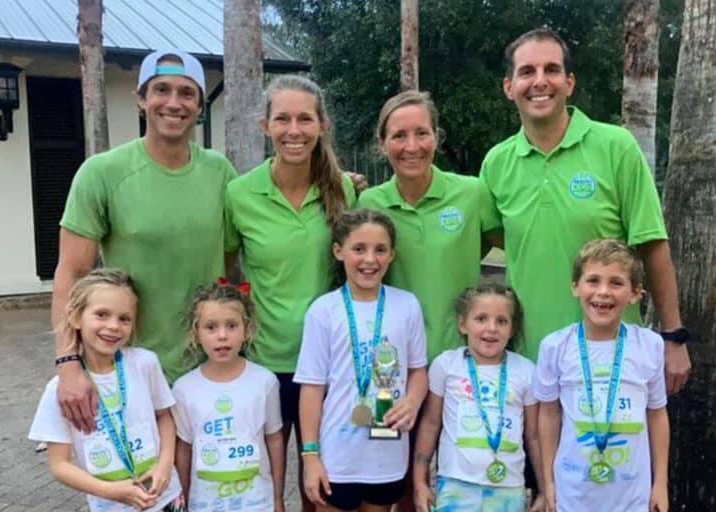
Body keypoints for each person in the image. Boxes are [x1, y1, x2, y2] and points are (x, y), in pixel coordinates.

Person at [479, 28, 691, 394]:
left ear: (569, 82)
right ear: (508, 87)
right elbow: (494, 241)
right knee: (539, 455)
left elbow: (651, 243)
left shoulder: (615, 147)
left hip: (612, 360)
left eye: (552, 70)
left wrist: (673, 336)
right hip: (531, 361)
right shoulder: (496, 164)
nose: (540, 81)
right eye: (527, 71)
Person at [52, 49, 239, 433]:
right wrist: (68, 363)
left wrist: (336, 183)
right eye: (161, 90)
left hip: (207, 366)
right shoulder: (102, 173)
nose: (173, 103)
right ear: (142, 99)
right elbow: (71, 273)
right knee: (135, 488)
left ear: (200, 105)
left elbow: (233, 259)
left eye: (187, 93)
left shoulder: (220, 172)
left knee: (210, 488)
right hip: (128, 368)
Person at [224, 74, 356, 510]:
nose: (293, 130)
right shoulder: (240, 195)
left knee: (321, 485)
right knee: (266, 482)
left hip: (332, 365)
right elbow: (228, 271)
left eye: (304, 119)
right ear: (266, 126)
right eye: (282, 119)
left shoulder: (345, 189)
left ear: (322, 125)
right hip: (268, 361)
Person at [294, 209, 428, 512]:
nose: (370, 260)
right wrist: (310, 456)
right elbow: (312, 388)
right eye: (359, 249)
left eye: (380, 249)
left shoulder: (407, 305)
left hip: (387, 455)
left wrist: (412, 401)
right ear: (338, 252)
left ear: (392, 254)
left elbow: (418, 371)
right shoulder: (323, 310)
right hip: (337, 456)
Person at [357, 90, 500, 364]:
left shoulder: (473, 193)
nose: (412, 147)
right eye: (399, 136)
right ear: (382, 143)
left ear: (436, 137)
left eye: (422, 133)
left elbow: (501, 243)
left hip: (461, 359)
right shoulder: (368, 202)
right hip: (393, 360)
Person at [29, 269, 184, 511]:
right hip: (110, 505)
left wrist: (164, 466)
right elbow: (59, 464)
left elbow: (164, 416)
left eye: (125, 319)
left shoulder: (145, 364)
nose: (113, 326)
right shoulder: (60, 390)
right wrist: (110, 491)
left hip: (166, 498)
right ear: (76, 317)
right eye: (101, 314)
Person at [534, 239, 669, 512]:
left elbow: (657, 414)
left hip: (632, 497)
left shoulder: (650, 345)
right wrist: (548, 483)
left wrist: (661, 483)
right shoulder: (554, 346)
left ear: (635, 293)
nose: (603, 292)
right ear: (576, 286)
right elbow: (548, 415)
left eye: (617, 283)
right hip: (572, 495)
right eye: (593, 280)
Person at [413, 284, 544, 512]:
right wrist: (419, 483)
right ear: (463, 324)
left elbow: (533, 436)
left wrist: (544, 489)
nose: (491, 328)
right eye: (481, 319)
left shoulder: (526, 371)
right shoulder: (446, 365)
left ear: (512, 329)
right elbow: (430, 424)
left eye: (502, 321)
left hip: (508, 489)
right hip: (455, 485)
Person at [172, 280, 285, 511]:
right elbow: (184, 447)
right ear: (196, 333)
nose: (222, 336)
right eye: (211, 327)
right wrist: (182, 499)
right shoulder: (184, 388)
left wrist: (277, 498)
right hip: (204, 504)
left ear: (247, 330)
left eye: (232, 326)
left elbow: (274, 439)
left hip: (256, 503)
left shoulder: (265, 382)